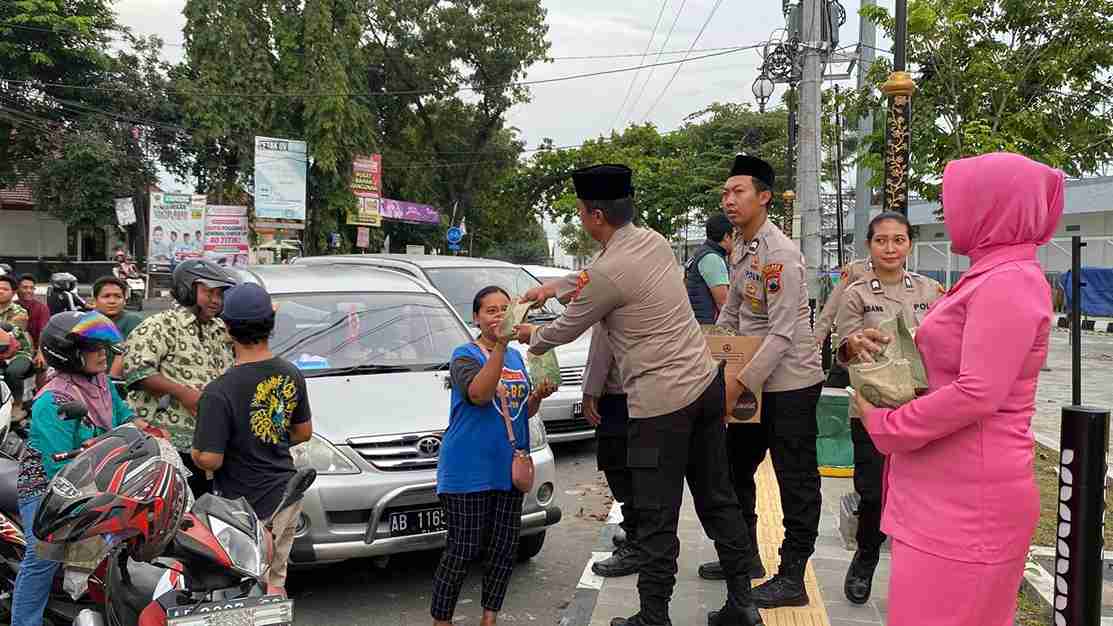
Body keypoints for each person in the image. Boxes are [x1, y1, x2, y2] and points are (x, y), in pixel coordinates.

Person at [514, 164, 763, 626]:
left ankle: (653, 617)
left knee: (654, 514)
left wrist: (528, 331)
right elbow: (593, 278)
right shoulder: (651, 241)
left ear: (594, 217)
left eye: (581, 212)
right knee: (718, 498)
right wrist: (554, 286)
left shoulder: (608, 270)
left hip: (661, 404)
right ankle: (742, 606)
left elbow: (567, 326)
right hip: (704, 385)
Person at [851, 153, 1060, 626]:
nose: (951, 215)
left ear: (994, 207)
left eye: (959, 203)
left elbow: (978, 392)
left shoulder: (1008, 283)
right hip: (947, 491)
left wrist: (887, 424)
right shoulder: (989, 274)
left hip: (967, 503)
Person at [698, 155, 825, 609]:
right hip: (750, 381)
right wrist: (713, 359)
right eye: (726, 193)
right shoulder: (743, 249)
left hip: (789, 385)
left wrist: (737, 384)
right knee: (733, 470)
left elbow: (781, 334)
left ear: (764, 198)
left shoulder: (781, 255)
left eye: (739, 192)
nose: (728, 200)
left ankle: (792, 576)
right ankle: (745, 555)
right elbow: (731, 312)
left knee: (796, 481)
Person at [833, 212, 943, 605]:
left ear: (910, 244)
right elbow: (841, 352)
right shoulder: (857, 294)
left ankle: (920, 573)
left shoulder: (932, 291)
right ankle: (865, 557)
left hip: (924, 407)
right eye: (882, 241)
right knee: (873, 492)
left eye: (898, 240)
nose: (890, 248)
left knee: (923, 494)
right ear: (869, 246)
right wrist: (855, 342)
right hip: (874, 406)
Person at [432, 286, 557, 626]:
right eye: (490, 310)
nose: (499, 316)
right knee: (462, 551)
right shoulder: (464, 356)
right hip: (467, 471)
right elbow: (480, 395)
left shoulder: (517, 357)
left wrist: (537, 398)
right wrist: (501, 345)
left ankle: (490, 618)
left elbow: (518, 411)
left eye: (505, 309)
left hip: (509, 468)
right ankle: (441, 621)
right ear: (476, 317)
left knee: (503, 551)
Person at [10, 311, 136, 626]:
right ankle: (25, 621)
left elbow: (124, 420)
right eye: (93, 348)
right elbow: (59, 467)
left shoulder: (101, 382)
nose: (102, 354)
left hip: (99, 474)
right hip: (47, 485)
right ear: (67, 353)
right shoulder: (54, 401)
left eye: (103, 347)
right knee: (43, 555)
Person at [191, 283, 312, 593]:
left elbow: (210, 458)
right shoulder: (291, 373)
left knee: (244, 587)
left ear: (227, 328)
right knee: (275, 578)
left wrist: (196, 454)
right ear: (271, 324)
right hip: (286, 494)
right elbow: (302, 432)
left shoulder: (219, 391)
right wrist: (270, 440)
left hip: (243, 507)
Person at [124, 259, 236, 495]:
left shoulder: (219, 330)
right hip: (166, 446)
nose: (216, 300)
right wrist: (184, 393)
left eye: (220, 294)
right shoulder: (159, 325)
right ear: (187, 289)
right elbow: (138, 372)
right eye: (209, 292)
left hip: (209, 447)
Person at [684, 214, 734, 325]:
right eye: (735, 235)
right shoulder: (712, 259)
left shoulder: (701, 252)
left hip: (698, 323)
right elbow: (723, 303)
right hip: (708, 327)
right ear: (726, 237)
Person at [91, 276, 143, 377]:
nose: (112, 301)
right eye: (106, 296)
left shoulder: (134, 321)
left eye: (118, 296)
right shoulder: (86, 322)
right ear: (95, 300)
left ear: (124, 300)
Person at [813, 258, 872, 347]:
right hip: (858, 340)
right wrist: (819, 333)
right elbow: (834, 301)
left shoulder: (898, 270)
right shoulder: (855, 269)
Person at [0, 273, 34, 420]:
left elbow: (13, 332)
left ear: (13, 293)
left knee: (13, 372)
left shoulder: (20, 312)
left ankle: (17, 405)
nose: (0, 291)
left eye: (5, 289)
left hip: (19, 353)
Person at [15, 274, 49, 354]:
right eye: (25, 287)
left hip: (36, 350)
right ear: (17, 289)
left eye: (32, 288)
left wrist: (40, 353)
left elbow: (43, 332)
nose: (29, 291)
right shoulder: (11, 306)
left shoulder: (42, 308)